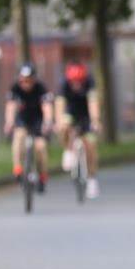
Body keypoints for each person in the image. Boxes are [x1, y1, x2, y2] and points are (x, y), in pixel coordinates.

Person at [4, 63, 54, 193]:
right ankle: (18, 170)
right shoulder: (15, 89)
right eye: (23, 81)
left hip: (38, 121)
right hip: (23, 120)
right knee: (18, 135)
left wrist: (48, 122)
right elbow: (11, 106)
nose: (26, 84)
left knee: (41, 147)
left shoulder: (41, 88)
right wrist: (9, 122)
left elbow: (46, 106)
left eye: (29, 81)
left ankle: (42, 176)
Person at [55, 61, 102, 199]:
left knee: (91, 146)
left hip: (86, 115)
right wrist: (58, 122)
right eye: (73, 82)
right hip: (71, 112)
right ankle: (68, 150)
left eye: (79, 81)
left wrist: (95, 121)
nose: (76, 84)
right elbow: (59, 105)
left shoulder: (90, 82)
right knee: (64, 125)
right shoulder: (64, 84)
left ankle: (92, 179)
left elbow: (93, 103)